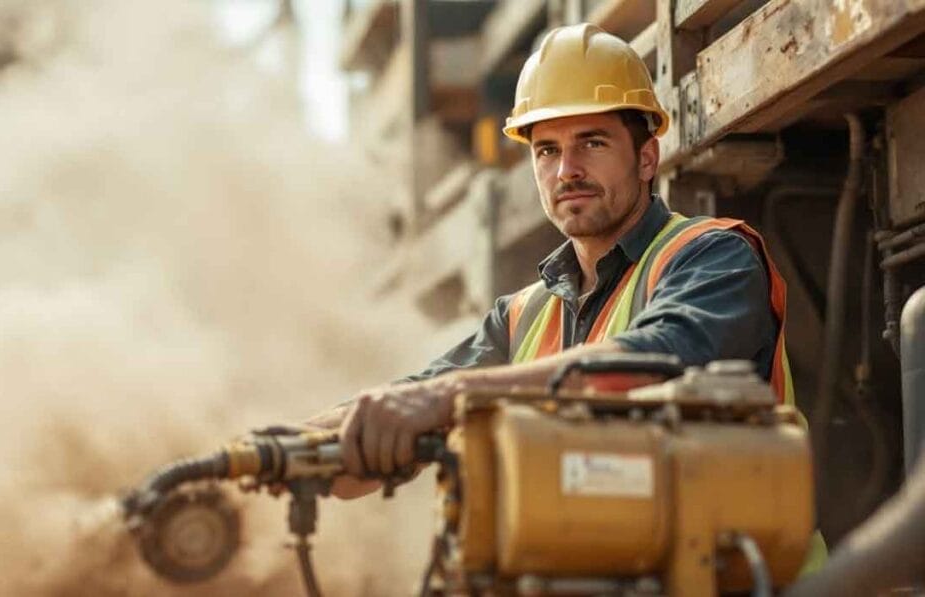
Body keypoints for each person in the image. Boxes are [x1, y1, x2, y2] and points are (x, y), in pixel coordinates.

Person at [308, 22, 793, 499]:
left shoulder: (716, 255)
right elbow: (409, 399)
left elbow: (664, 354)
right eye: (547, 150)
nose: (567, 170)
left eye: (592, 142)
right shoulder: (522, 317)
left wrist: (438, 399)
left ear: (647, 158)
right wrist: (280, 446)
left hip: (746, 575)